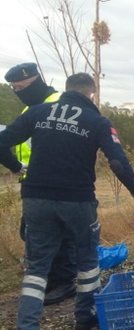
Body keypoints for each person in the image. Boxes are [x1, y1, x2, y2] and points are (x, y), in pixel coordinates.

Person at [0, 72, 134, 330]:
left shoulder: (39, 112)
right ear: (91, 93)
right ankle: (84, 316)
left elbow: (1, 140)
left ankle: (27, 329)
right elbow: (116, 160)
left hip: (37, 198)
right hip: (77, 199)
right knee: (87, 258)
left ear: (67, 90)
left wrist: (16, 167)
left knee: (38, 265)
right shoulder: (97, 121)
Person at [5, 62, 78, 306]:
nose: (18, 92)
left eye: (22, 87)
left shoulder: (57, 101)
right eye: (14, 88)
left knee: (56, 231)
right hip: (32, 179)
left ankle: (63, 281)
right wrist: (16, 166)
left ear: (35, 81)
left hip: (55, 179)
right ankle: (49, 277)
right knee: (33, 232)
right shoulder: (29, 109)